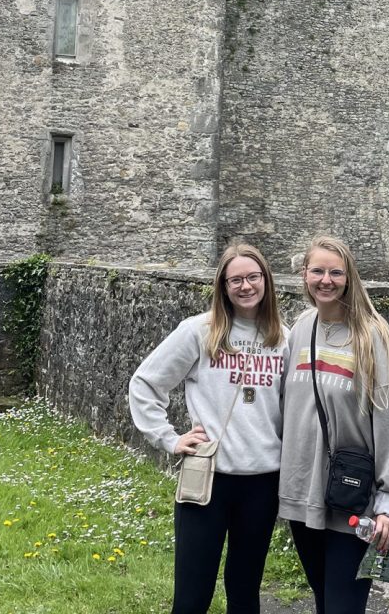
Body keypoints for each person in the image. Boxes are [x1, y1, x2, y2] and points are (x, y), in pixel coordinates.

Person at [128, 243, 287, 614]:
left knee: (245, 593)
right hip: (208, 479)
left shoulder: (282, 337)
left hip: (263, 483)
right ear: (223, 285)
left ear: (266, 280)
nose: (245, 286)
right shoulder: (200, 331)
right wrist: (169, 438)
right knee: (192, 594)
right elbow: (146, 383)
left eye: (253, 277)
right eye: (236, 280)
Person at [279, 234, 389, 614]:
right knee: (324, 601)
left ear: (349, 277)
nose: (326, 280)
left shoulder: (372, 336)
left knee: (343, 607)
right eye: (317, 271)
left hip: (351, 499)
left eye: (335, 272)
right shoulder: (301, 328)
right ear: (304, 275)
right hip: (303, 493)